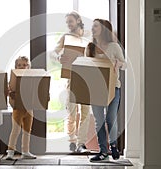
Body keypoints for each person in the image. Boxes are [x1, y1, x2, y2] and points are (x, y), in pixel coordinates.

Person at [86, 19, 127, 162]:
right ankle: (103, 151)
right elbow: (86, 67)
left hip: (113, 87)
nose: (92, 28)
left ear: (103, 29)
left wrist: (118, 63)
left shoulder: (114, 46)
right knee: (99, 121)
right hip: (96, 89)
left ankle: (113, 144)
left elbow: (125, 64)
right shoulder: (90, 47)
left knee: (110, 119)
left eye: (95, 25)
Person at [51, 11, 91, 153]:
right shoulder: (65, 37)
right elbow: (53, 52)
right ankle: (72, 142)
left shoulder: (88, 36)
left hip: (87, 77)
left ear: (78, 20)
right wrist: (58, 58)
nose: (68, 24)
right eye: (67, 22)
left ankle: (82, 143)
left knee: (85, 112)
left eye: (70, 21)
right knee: (71, 111)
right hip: (71, 77)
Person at [5, 56, 37, 160]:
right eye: (19, 65)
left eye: (24, 65)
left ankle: (25, 151)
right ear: (16, 67)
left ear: (28, 67)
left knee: (27, 130)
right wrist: (10, 93)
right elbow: (9, 90)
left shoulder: (31, 78)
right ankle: (10, 151)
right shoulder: (14, 79)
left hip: (29, 108)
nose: (22, 67)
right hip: (17, 109)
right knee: (15, 130)